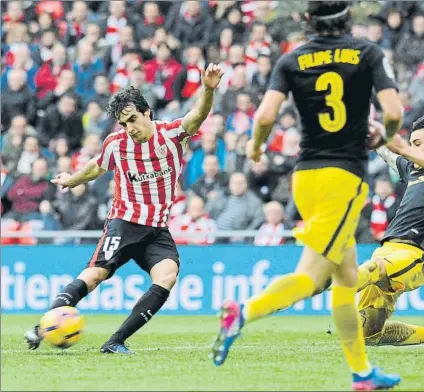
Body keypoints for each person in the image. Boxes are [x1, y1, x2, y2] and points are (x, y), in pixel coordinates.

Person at [210, 2, 404, 390]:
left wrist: (255, 149)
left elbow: (265, 117)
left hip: (306, 177)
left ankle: (362, 373)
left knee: (347, 278)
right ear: (348, 19)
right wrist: (385, 132)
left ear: (306, 21)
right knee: (313, 278)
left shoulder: (291, 60)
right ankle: (242, 312)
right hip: (343, 177)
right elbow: (393, 109)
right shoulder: (367, 53)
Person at [24, 63, 224, 354]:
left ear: (147, 113)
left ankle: (115, 341)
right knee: (95, 275)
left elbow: (198, 116)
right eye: (124, 123)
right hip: (123, 223)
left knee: (167, 275)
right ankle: (43, 327)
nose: (130, 128)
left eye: (132, 120)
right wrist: (71, 180)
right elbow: (95, 167)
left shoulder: (170, 135)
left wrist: (208, 88)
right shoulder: (116, 144)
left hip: (156, 229)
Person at [356, 117, 424, 346]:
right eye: (413, 143)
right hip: (385, 248)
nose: (415, 150)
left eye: (420, 144)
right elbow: (388, 152)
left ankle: (345, 281)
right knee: (367, 336)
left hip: (415, 253)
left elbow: (399, 147)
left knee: (379, 270)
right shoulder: (413, 170)